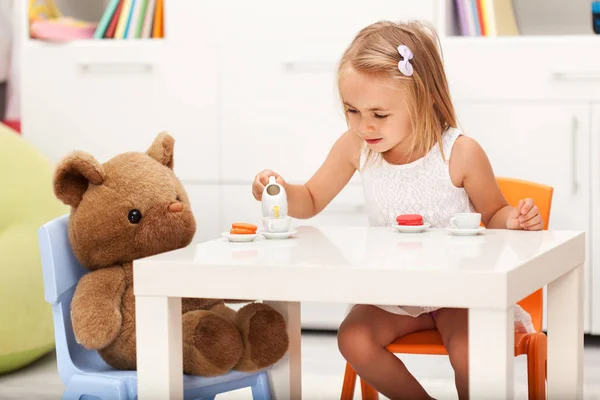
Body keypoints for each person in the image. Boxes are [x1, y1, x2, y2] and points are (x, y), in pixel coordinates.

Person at [252, 20, 543, 399]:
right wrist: (279, 191)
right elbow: (310, 198)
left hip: (457, 291)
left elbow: (494, 214)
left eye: (379, 114)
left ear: (424, 100)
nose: (363, 126)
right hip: (395, 295)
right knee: (353, 338)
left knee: (472, 352)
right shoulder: (356, 147)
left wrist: (516, 220)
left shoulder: (459, 153)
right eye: (352, 111)